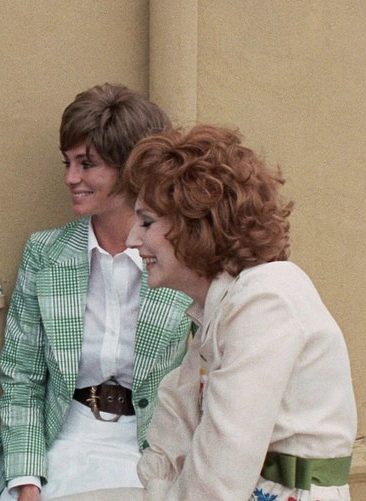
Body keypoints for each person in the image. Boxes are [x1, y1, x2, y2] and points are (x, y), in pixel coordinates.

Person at [59, 124, 356, 500]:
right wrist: (158, 485)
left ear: (196, 224)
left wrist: (160, 488)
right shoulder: (222, 304)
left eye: (146, 222)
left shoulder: (266, 302)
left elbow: (217, 485)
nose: (133, 240)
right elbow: (170, 438)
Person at [0, 83, 193, 500]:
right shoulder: (45, 254)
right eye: (68, 162)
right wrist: (26, 480)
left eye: (87, 164)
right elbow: (21, 379)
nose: (70, 177)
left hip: (155, 448)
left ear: (130, 168)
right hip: (61, 443)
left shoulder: (181, 257)